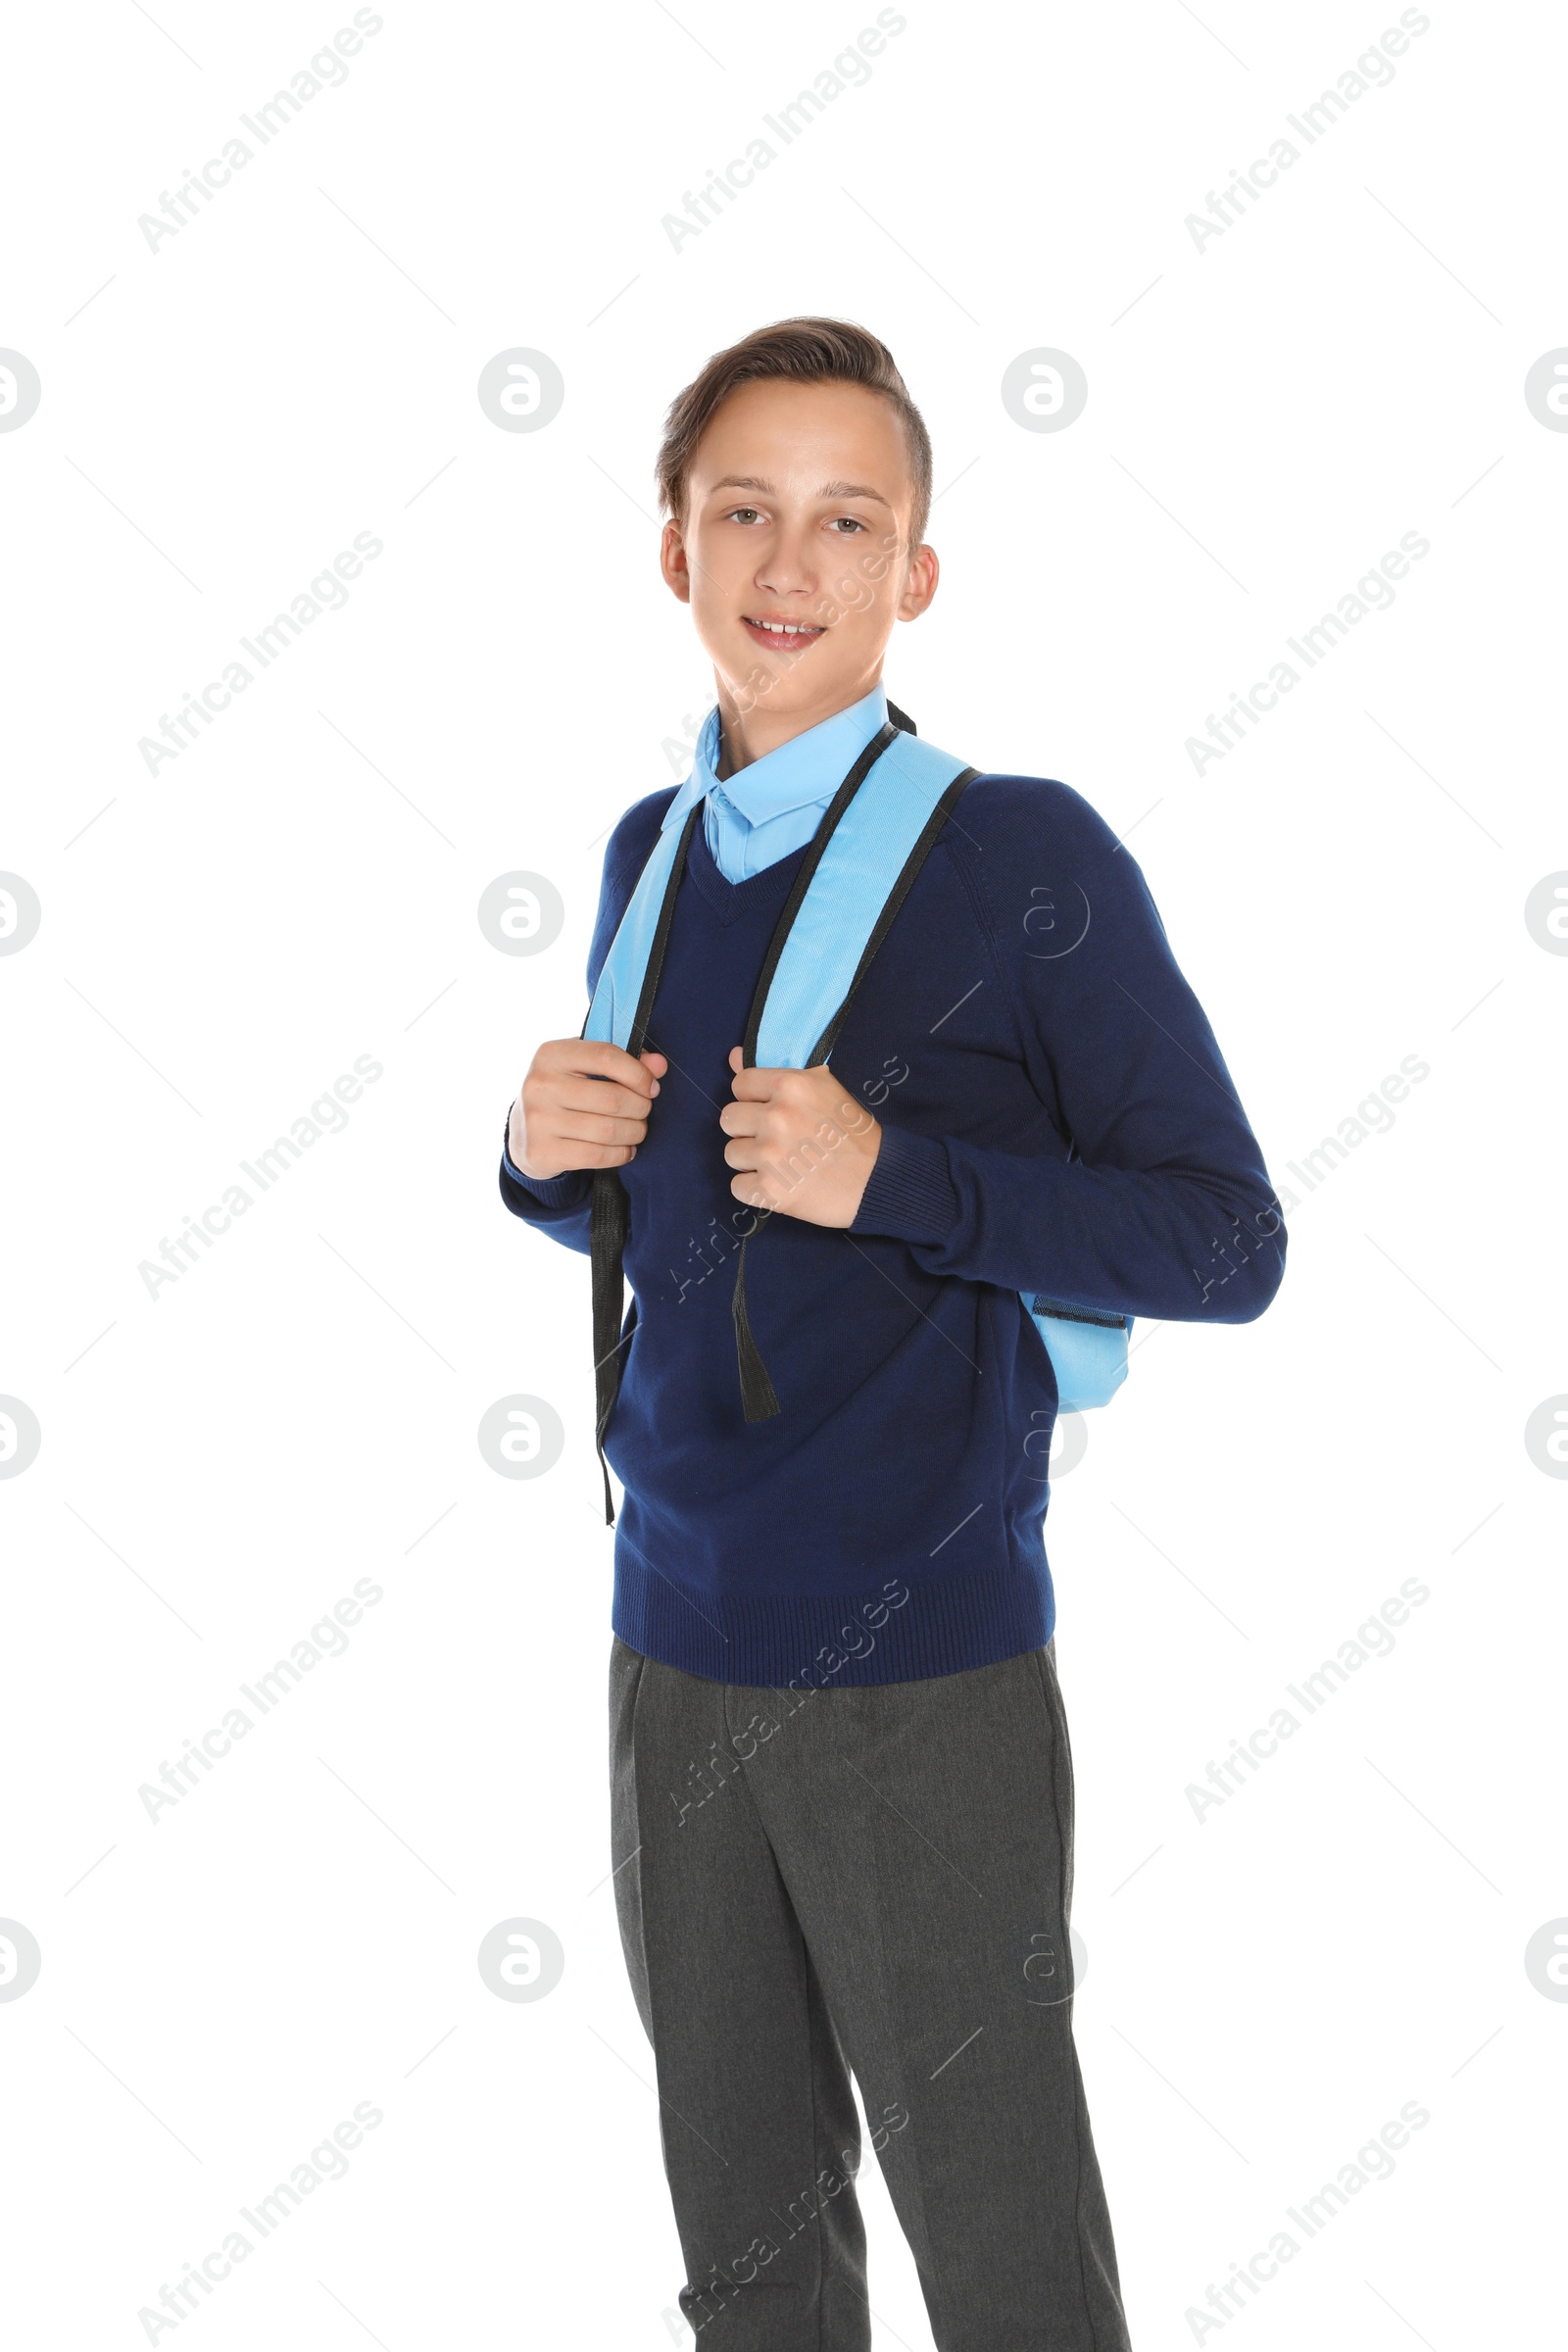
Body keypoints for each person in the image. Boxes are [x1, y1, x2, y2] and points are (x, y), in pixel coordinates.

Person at [499, 317, 1286, 2351]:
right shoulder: (645, 853)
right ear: (668, 550)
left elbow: (1224, 1238)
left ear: (913, 572)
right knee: (746, 2262)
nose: (789, 560)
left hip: (919, 1681)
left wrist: (904, 1175)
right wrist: (534, 1153)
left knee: (1005, 2261)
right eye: (741, 509)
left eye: (847, 518)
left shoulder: (1019, 855)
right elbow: (666, 1211)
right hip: (667, 1648)